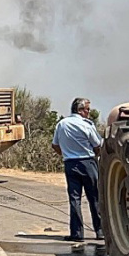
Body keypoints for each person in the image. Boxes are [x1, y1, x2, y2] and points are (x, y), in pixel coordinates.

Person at [52, 97, 103, 241]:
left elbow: (55, 145)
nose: (89, 112)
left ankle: (77, 233)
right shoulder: (86, 125)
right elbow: (97, 145)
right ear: (80, 110)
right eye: (87, 109)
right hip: (87, 163)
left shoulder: (61, 124)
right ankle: (100, 231)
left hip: (70, 163)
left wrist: (66, 153)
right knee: (94, 197)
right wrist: (95, 155)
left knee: (74, 199)